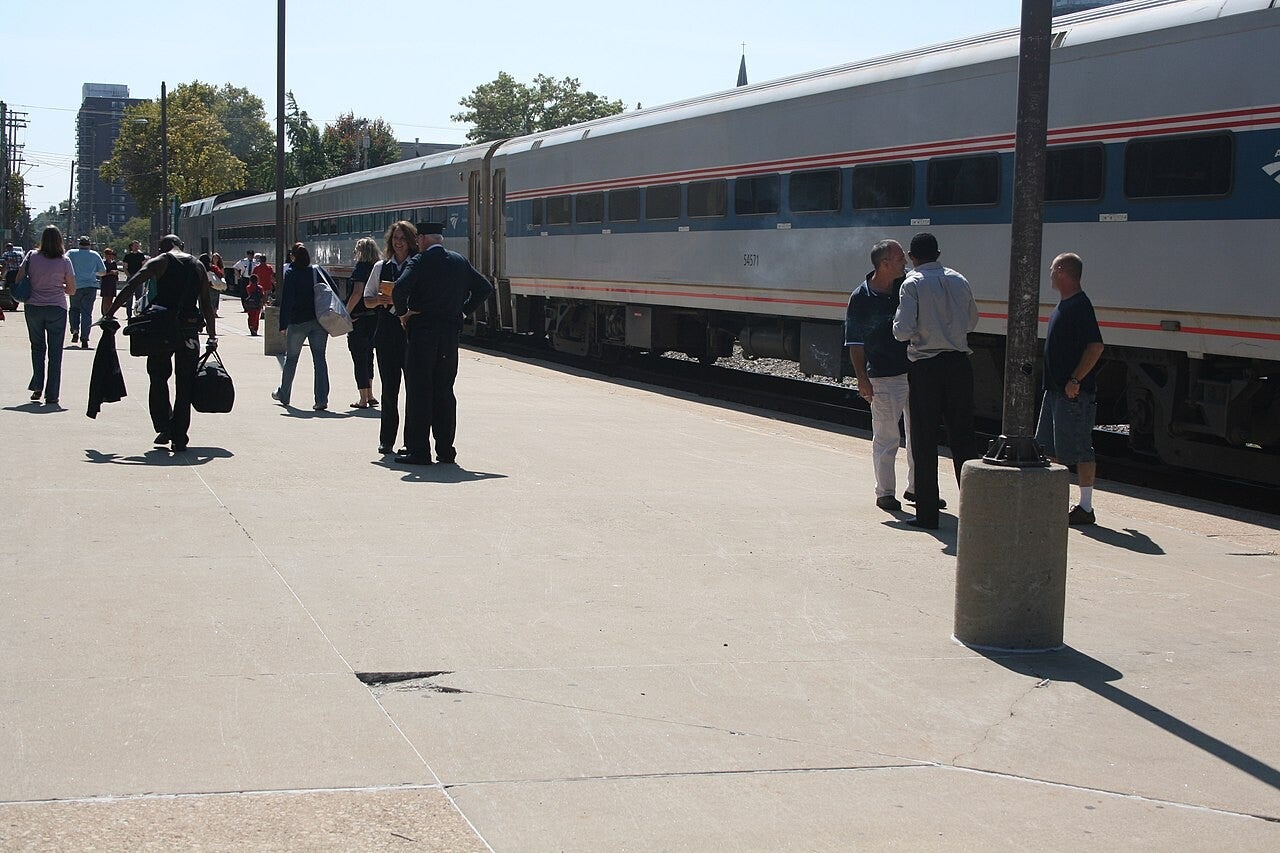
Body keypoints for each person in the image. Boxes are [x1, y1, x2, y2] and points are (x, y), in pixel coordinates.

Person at [891, 232, 979, 529]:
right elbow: (972, 321)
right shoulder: (959, 279)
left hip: (926, 367)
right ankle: (974, 511)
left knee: (924, 440)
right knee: (964, 439)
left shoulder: (912, 283)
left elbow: (902, 330)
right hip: (959, 365)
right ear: (938, 254)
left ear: (911, 256)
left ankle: (927, 514)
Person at [847, 238, 939, 513]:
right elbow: (855, 342)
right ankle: (885, 492)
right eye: (900, 259)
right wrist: (862, 378)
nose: (906, 262)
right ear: (885, 264)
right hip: (883, 375)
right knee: (887, 436)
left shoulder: (908, 285)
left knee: (919, 434)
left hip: (916, 370)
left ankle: (918, 488)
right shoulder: (861, 297)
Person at [392, 222, 494, 465]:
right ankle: (446, 450)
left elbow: (399, 289)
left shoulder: (419, 262)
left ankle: (419, 451)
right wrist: (463, 311)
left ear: (422, 238)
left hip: (423, 334)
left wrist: (403, 313)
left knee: (420, 391)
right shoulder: (459, 261)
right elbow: (484, 288)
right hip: (449, 336)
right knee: (444, 391)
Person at [108, 235, 217, 452]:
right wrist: (212, 336)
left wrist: (110, 313)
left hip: (161, 329)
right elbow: (206, 303)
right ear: (182, 245)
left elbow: (131, 284)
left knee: (158, 377)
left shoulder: (161, 261)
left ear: (161, 249)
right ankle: (180, 436)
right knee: (185, 384)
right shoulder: (198, 266)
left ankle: (164, 425)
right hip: (188, 330)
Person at [1036, 252, 1105, 526]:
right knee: (1050, 448)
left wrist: (1075, 380)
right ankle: (1055, 503)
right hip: (1055, 392)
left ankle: (1085, 507)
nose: (1050, 274)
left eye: (1052, 269)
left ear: (1062, 270)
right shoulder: (1065, 305)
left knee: (1080, 448)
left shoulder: (1079, 306)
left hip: (1072, 394)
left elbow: (1095, 347)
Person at [364, 221, 415, 454]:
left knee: (413, 391)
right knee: (389, 390)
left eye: (403, 238)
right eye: (395, 238)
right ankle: (387, 439)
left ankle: (410, 441)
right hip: (387, 335)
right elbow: (367, 300)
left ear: (411, 241)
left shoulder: (416, 266)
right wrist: (380, 300)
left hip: (412, 335)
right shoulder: (381, 267)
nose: (398, 243)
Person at [17, 226, 76, 407]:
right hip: (57, 308)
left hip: (33, 307)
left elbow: (19, 279)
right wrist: (60, 286)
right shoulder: (65, 261)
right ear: (60, 240)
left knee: (37, 348)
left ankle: (37, 386)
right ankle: (52, 394)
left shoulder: (31, 256)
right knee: (55, 352)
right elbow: (72, 290)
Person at [273, 242, 331, 411]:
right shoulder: (316, 271)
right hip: (319, 322)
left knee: (291, 359)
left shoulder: (291, 273)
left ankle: (284, 394)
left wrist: (283, 324)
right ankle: (321, 399)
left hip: (298, 322)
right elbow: (332, 289)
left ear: (293, 257)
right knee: (319, 360)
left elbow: (287, 301)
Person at [347, 237, 380, 409]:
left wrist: (346, 313)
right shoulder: (378, 267)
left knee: (358, 357)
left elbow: (357, 293)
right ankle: (370, 394)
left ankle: (362, 398)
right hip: (374, 317)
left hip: (359, 318)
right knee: (369, 356)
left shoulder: (360, 268)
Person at [66, 236, 105, 349]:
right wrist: (92, 272)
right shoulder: (95, 255)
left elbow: (64, 263)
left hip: (76, 286)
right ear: (89, 244)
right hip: (91, 286)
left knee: (74, 309)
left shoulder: (71, 253)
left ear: (79, 244)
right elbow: (102, 272)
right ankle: (85, 338)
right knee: (87, 313)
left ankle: (75, 329)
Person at [122, 240, 147, 316]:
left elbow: (144, 265)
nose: (136, 247)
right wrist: (129, 276)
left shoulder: (141, 255)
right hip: (130, 276)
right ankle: (129, 314)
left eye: (137, 246)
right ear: (131, 247)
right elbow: (125, 267)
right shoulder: (127, 256)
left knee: (139, 297)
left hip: (139, 276)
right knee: (129, 297)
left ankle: (138, 313)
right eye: (135, 246)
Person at [97, 247, 120, 320]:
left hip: (112, 282)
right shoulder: (103, 263)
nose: (110, 256)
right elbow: (101, 273)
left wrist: (116, 274)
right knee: (105, 298)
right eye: (108, 254)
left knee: (111, 298)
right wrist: (110, 273)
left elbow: (116, 271)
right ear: (106, 255)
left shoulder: (114, 263)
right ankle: (104, 313)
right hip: (106, 282)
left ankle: (110, 313)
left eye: (111, 254)